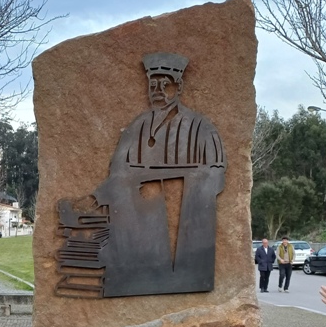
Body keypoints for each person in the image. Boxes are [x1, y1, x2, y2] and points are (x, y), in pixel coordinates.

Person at [90, 51, 226, 297]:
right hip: (136, 225)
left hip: (188, 236)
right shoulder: (136, 128)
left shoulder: (201, 128)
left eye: (166, 84)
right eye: (153, 84)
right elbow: (116, 173)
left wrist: (176, 184)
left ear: (180, 86)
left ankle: (183, 278)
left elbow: (216, 177)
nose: (158, 90)